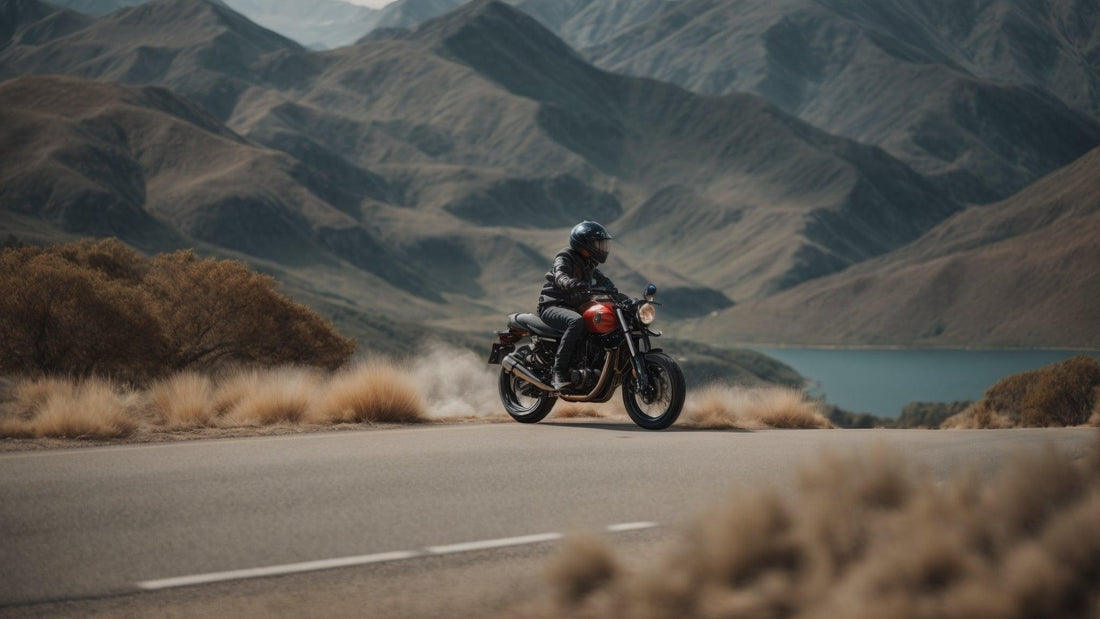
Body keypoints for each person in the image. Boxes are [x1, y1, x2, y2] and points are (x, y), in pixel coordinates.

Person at [537, 221, 616, 391]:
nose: (602, 248)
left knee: (606, 315)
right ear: (584, 243)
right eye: (598, 244)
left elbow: (605, 282)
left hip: (575, 305)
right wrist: (568, 282)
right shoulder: (565, 256)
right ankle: (558, 372)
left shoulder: (589, 263)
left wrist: (618, 294)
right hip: (553, 305)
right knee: (576, 322)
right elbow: (559, 274)